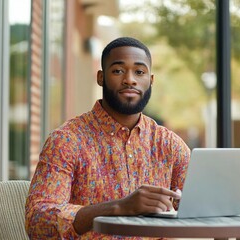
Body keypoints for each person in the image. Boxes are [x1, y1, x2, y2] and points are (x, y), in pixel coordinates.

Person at [25, 37, 191, 239]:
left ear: (151, 80)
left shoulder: (170, 145)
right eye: (118, 71)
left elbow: (201, 209)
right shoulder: (66, 141)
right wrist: (119, 207)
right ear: (101, 78)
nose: (130, 79)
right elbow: (38, 221)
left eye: (139, 72)